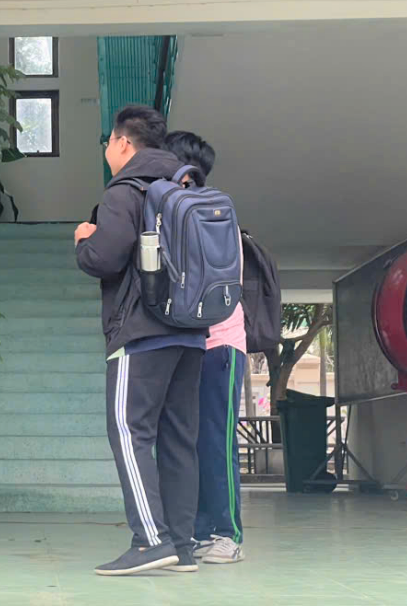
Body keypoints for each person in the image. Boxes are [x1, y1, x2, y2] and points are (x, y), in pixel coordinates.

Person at [75, 105, 206, 576]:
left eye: (108, 143)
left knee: (130, 432)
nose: (107, 151)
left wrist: (83, 240)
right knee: (179, 439)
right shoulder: (188, 186)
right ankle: (182, 546)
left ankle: (151, 540)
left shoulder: (125, 190)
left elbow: (104, 258)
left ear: (123, 143)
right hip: (191, 332)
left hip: (142, 329)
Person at [165, 131, 246, 564]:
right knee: (190, 443)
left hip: (220, 344)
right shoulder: (174, 210)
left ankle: (227, 534)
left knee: (216, 441)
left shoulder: (215, 214)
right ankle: (197, 531)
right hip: (187, 344)